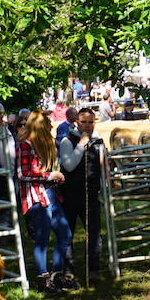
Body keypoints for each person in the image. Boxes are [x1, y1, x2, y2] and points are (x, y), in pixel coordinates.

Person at [16, 111, 74, 292]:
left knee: (65, 234)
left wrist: (54, 177)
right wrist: (50, 175)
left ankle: (56, 274)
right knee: (42, 238)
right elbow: (22, 174)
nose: (51, 127)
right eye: (48, 124)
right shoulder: (25, 144)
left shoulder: (44, 145)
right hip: (36, 196)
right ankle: (44, 279)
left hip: (51, 194)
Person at [57, 107, 106, 283]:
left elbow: (102, 165)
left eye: (90, 122)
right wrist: (81, 145)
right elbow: (69, 165)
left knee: (94, 233)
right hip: (70, 194)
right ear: (76, 122)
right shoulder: (66, 141)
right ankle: (68, 270)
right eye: (83, 122)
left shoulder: (99, 140)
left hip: (91, 193)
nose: (87, 125)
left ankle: (94, 268)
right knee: (67, 233)